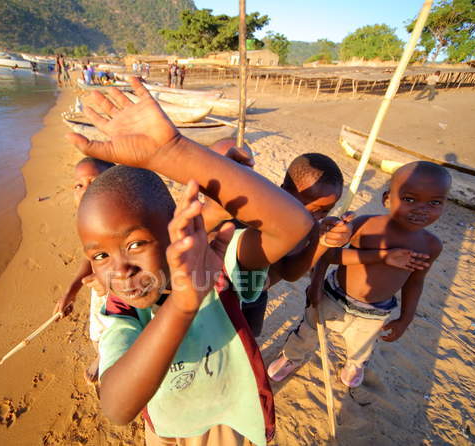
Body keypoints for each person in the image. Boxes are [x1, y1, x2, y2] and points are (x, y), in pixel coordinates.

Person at [67, 77, 314, 445]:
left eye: (135, 244)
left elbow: (295, 226)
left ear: (172, 230)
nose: (119, 269)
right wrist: (183, 302)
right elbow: (117, 408)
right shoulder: (120, 308)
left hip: (227, 419)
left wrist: (172, 152)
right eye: (100, 255)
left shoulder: (219, 269)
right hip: (167, 429)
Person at [268, 161, 450, 387]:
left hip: (376, 310)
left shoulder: (431, 245)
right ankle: (292, 357)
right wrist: (316, 284)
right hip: (334, 296)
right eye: (409, 199)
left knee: (362, 346)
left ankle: (355, 364)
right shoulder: (366, 225)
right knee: (308, 331)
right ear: (387, 199)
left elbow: (415, 282)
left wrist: (406, 318)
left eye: (434, 202)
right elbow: (329, 256)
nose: (421, 209)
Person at [201, 150, 354, 338]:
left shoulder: (311, 228)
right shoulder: (255, 217)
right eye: (310, 209)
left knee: (247, 336)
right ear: (282, 192)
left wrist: (322, 242)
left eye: (324, 212)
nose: (315, 217)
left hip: (255, 294)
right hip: (221, 291)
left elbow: (289, 272)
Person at [53, 157, 115, 383]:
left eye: (95, 182)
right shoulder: (88, 223)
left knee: (124, 335)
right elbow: (88, 255)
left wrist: (109, 279)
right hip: (98, 291)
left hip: (127, 290)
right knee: (97, 333)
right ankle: (101, 357)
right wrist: (73, 289)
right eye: (79, 185)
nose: (86, 190)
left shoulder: (124, 219)